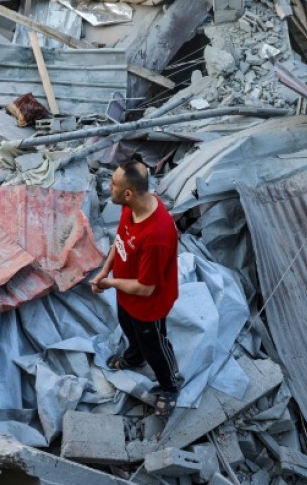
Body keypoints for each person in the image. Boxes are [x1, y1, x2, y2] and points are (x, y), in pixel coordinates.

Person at [91, 155, 182, 418]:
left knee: (155, 343)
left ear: (129, 192)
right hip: (125, 294)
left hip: (148, 306)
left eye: (114, 183)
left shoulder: (156, 235)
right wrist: (105, 270)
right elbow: (118, 241)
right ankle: (134, 357)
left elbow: (145, 289)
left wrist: (108, 283)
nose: (109, 186)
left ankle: (170, 384)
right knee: (130, 330)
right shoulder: (131, 208)